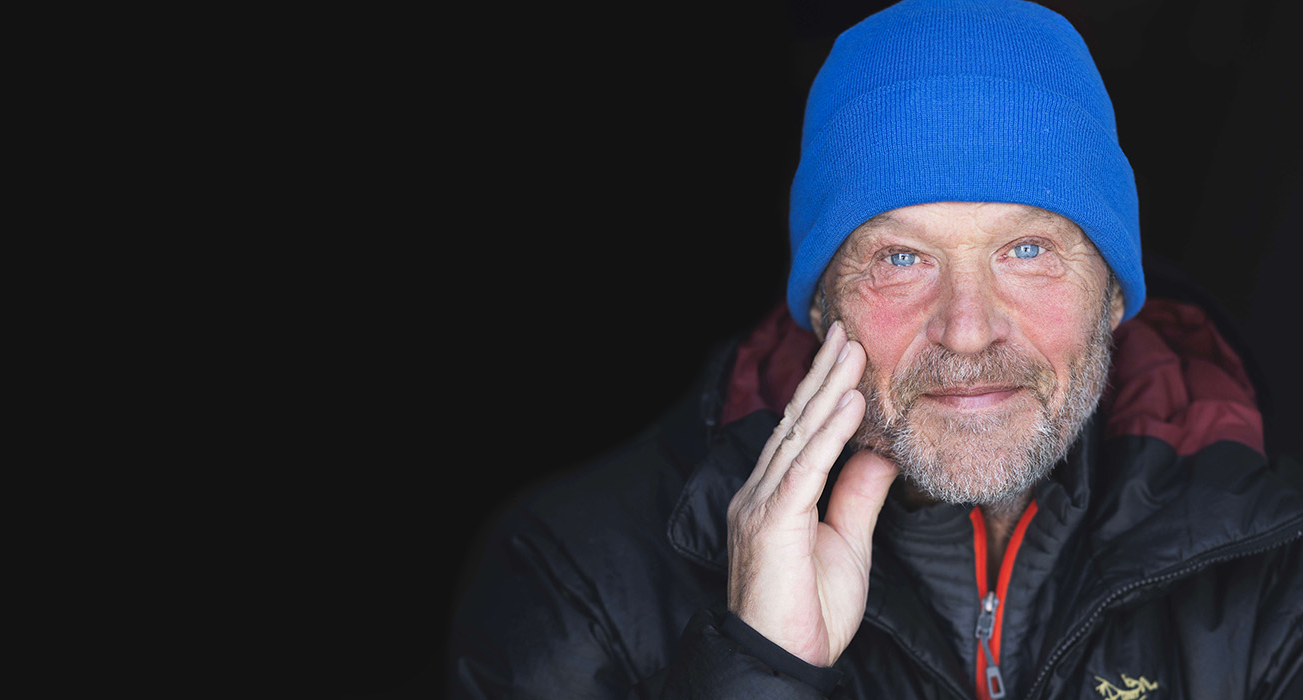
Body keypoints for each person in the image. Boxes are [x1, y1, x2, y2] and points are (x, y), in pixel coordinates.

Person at [449, 1, 1303, 697]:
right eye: (900, 258)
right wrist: (756, 669)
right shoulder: (577, 584)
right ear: (823, 303)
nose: (967, 328)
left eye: (1027, 250)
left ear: (1112, 293)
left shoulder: (1275, 566)